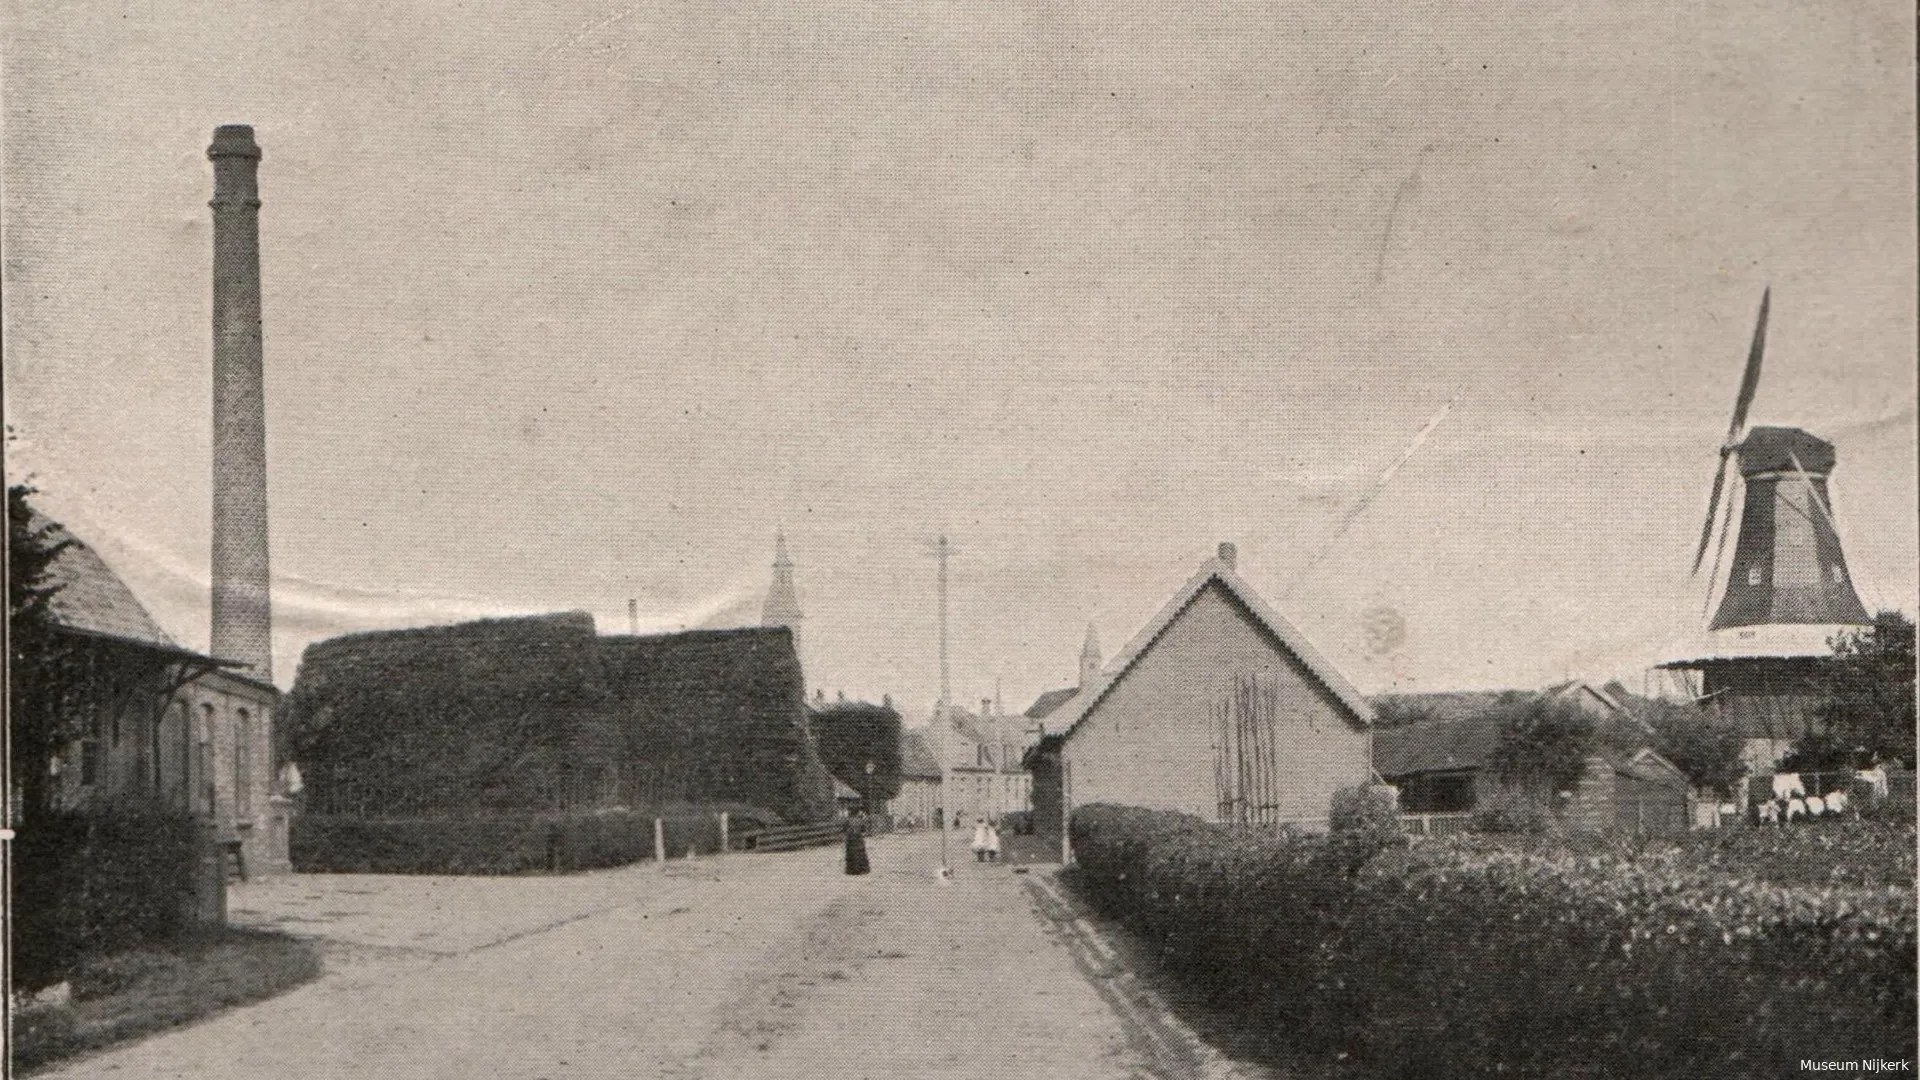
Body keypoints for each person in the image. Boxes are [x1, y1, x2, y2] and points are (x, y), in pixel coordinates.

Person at [844, 809, 871, 876]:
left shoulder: (848, 820)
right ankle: (862, 869)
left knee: (851, 853)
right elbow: (864, 829)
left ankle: (852, 870)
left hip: (851, 839)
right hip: (858, 838)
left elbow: (844, 829)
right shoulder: (860, 820)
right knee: (860, 853)